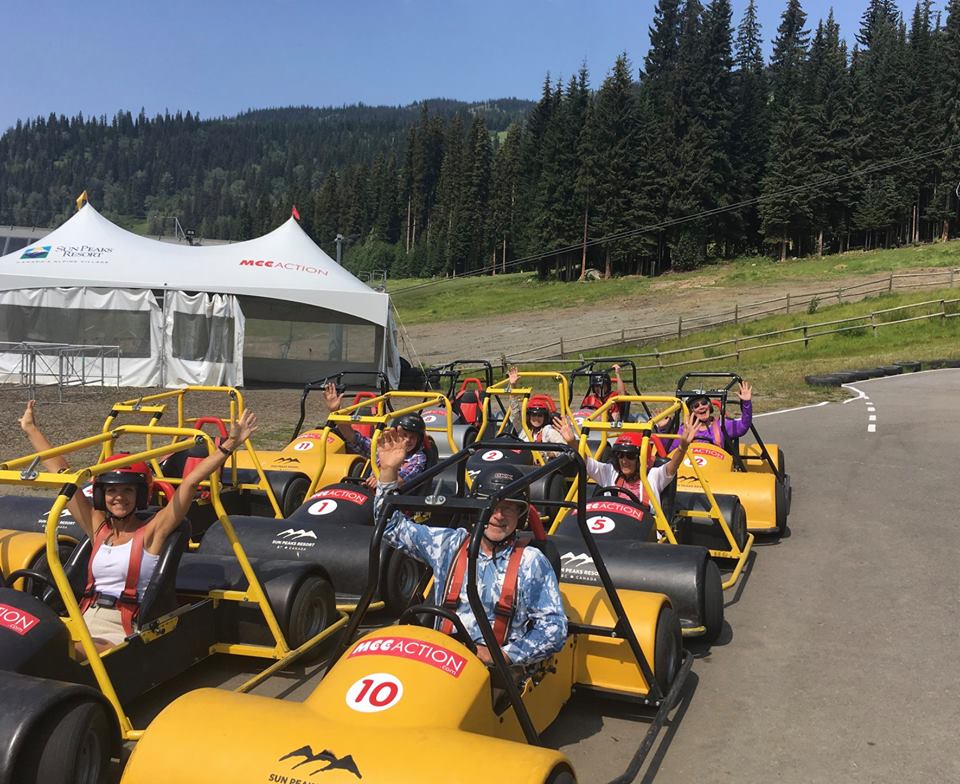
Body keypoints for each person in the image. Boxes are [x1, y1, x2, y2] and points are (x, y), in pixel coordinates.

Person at [19, 400, 257, 652]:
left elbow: (190, 483)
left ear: (140, 495)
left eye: (127, 490)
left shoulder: (153, 532)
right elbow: (63, 476)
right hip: (81, 618)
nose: (119, 497)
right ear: (102, 495)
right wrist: (31, 429)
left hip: (122, 628)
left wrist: (230, 444)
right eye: (111, 491)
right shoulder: (98, 529)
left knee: (61, 654)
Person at [374, 428, 566, 668]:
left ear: (521, 515)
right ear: (476, 509)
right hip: (437, 659)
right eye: (490, 505)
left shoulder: (531, 562)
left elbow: (554, 629)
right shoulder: (449, 544)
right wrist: (389, 471)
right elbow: (389, 527)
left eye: (508, 507)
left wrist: (505, 655)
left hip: (494, 671)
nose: (497, 515)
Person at [559, 412, 698, 512]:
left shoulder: (653, 476)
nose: (624, 461)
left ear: (641, 458)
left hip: (644, 536)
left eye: (630, 456)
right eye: (620, 455)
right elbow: (586, 462)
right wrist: (572, 442)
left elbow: (672, 467)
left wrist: (683, 446)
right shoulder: (610, 472)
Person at [323, 382, 427, 488]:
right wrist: (336, 411)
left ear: (419, 440)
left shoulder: (417, 458)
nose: (408, 440)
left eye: (413, 437)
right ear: (395, 433)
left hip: (393, 499)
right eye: (404, 435)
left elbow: (403, 480)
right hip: (368, 493)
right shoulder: (384, 447)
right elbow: (353, 438)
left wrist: (381, 480)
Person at [671, 380, 753, 451]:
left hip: (716, 466)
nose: (701, 407)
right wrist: (663, 429)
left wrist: (746, 402)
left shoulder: (722, 424)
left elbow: (743, 426)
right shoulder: (684, 430)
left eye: (704, 403)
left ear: (709, 405)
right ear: (690, 411)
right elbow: (669, 451)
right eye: (696, 406)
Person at [504, 366, 565, 444]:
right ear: (529, 416)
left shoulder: (548, 431)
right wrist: (513, 386)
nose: (536, 418)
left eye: (540, 415)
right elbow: (515, 411)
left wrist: (550, 453)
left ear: (545, 417)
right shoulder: (523, 430)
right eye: (534, 415)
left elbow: (563, 445)